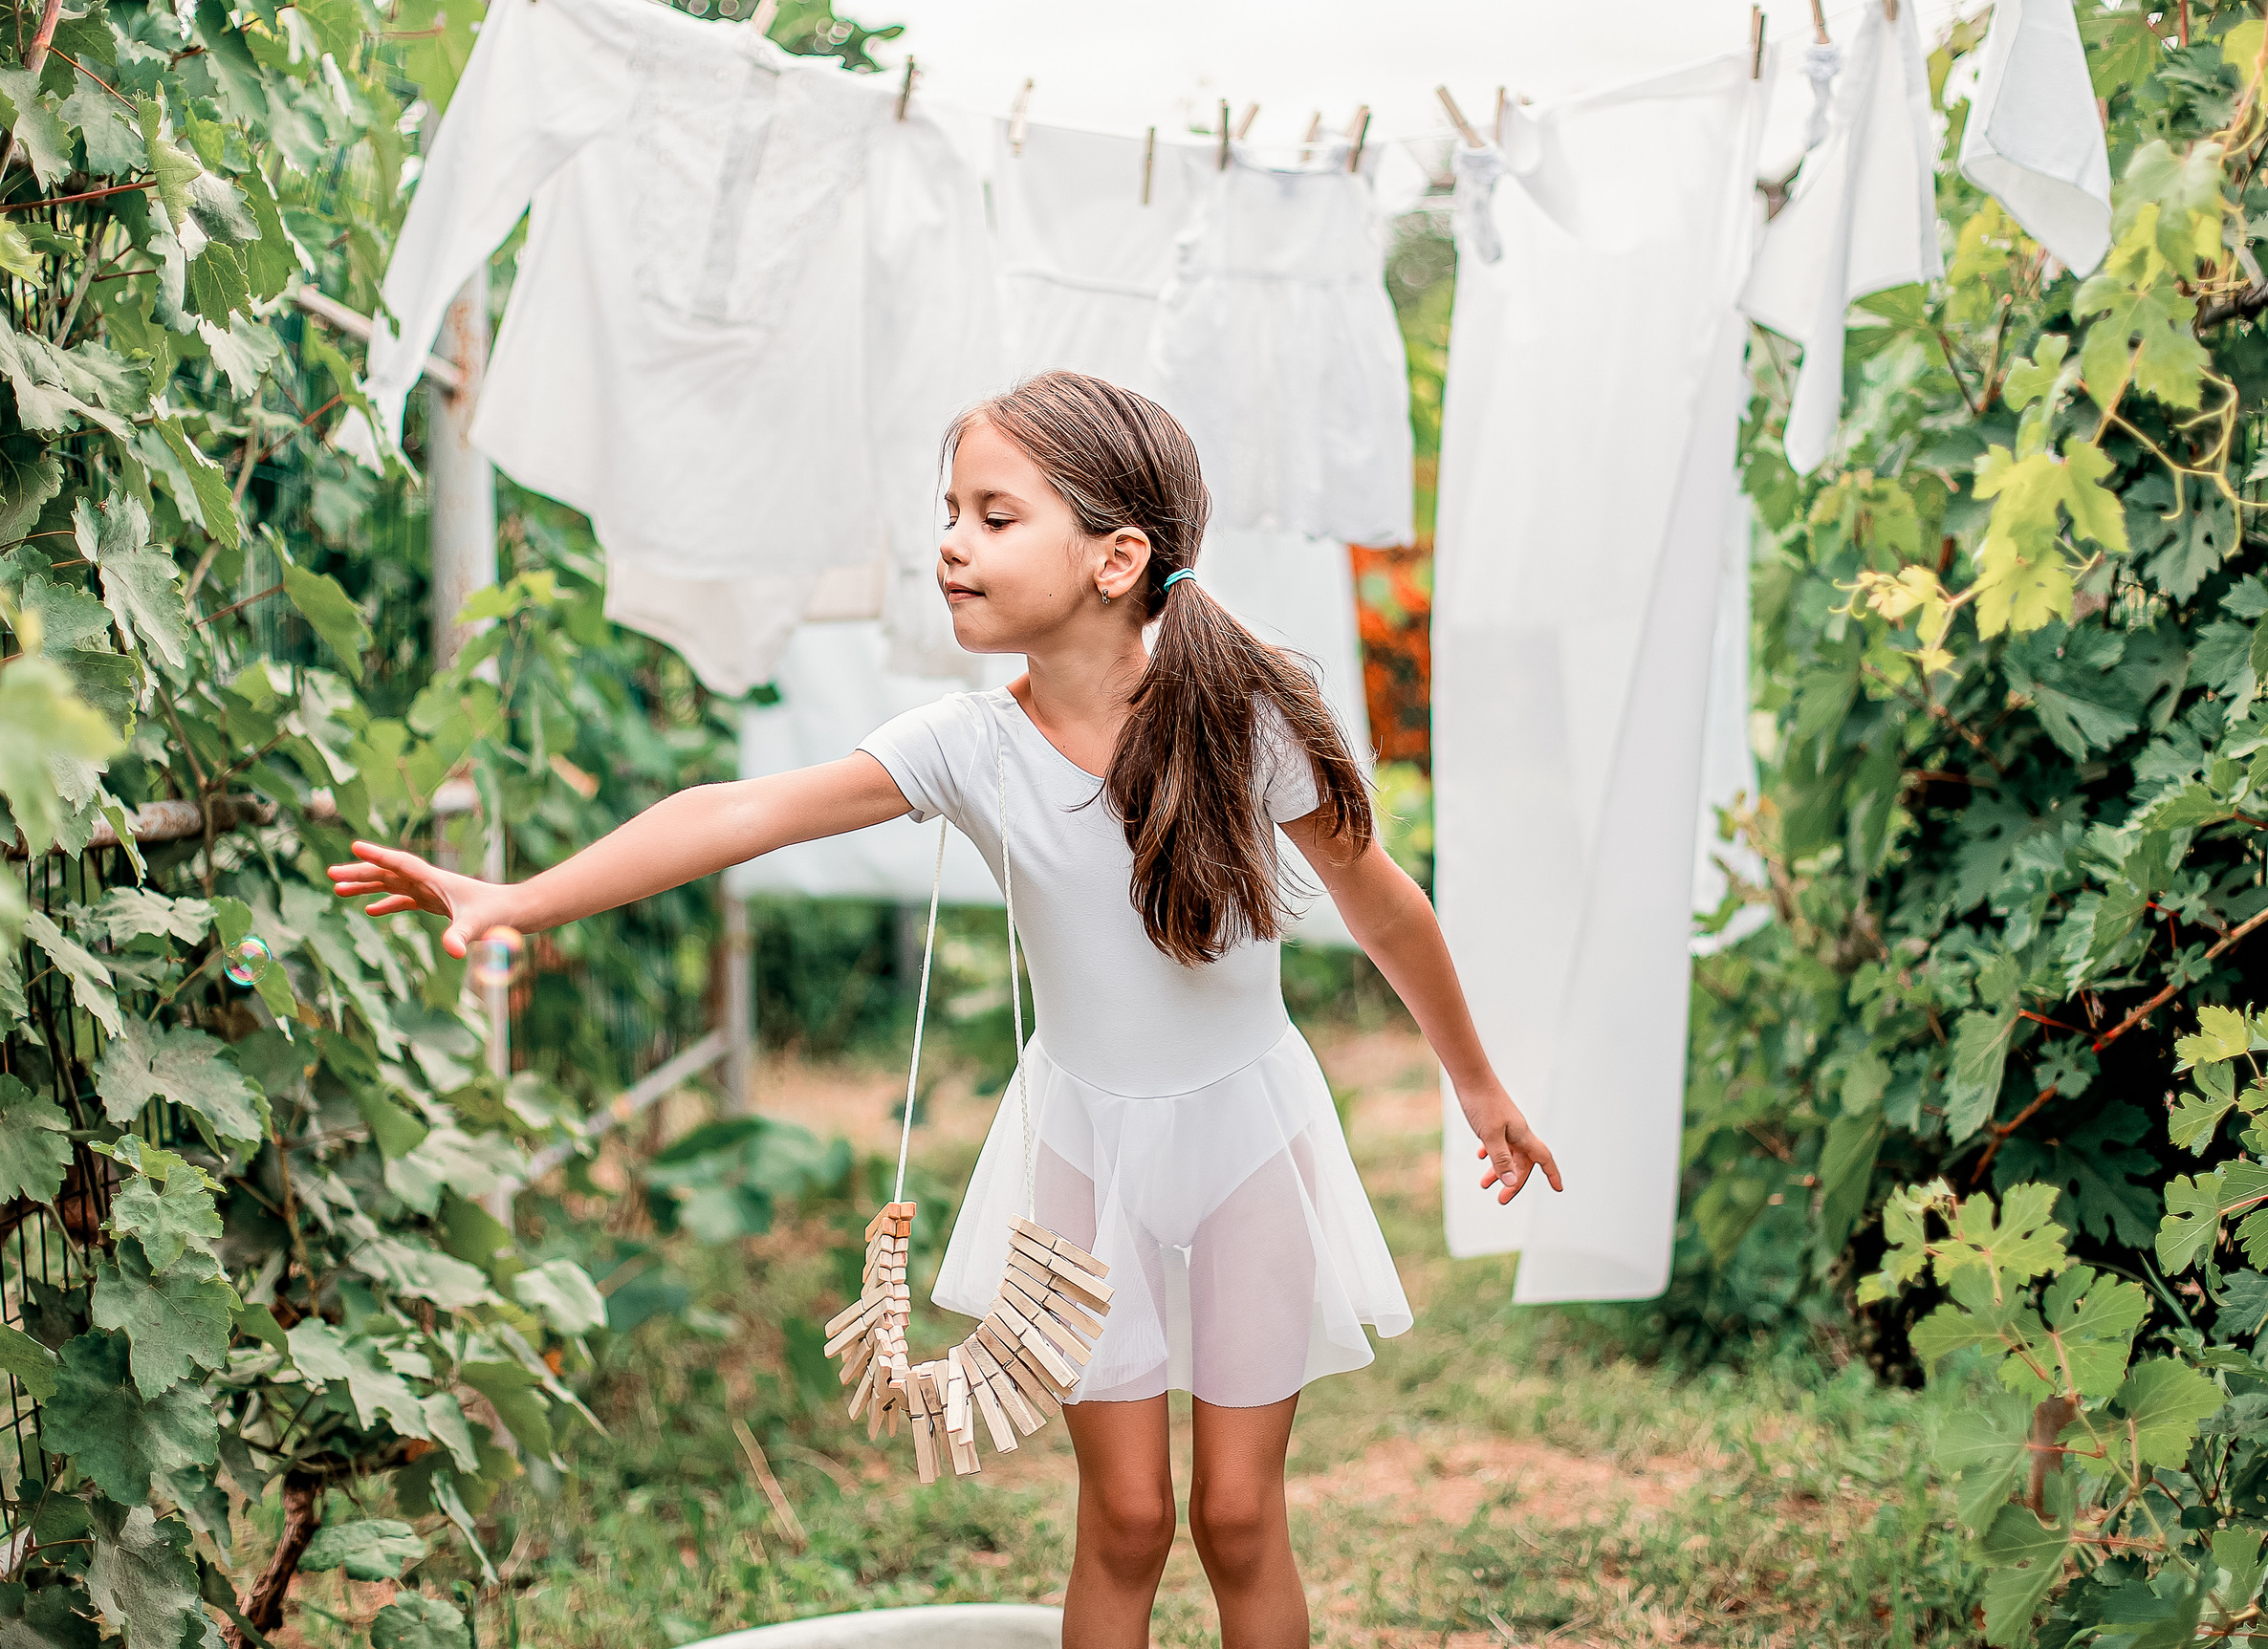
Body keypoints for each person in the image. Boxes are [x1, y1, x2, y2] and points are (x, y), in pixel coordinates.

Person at [331, 370, 1559, 1649]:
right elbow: (737, 812)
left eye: (994, 514)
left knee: (1240, 1518)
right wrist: (521, 897)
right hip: (1083, 1159)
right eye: (951, 510)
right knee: (1125, 1519)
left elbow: (1386, 909)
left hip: (1249, 1142)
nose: (951, 543)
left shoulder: (1242, 719)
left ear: (1115, 556)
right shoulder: (969, 744)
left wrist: (1475, 1082)